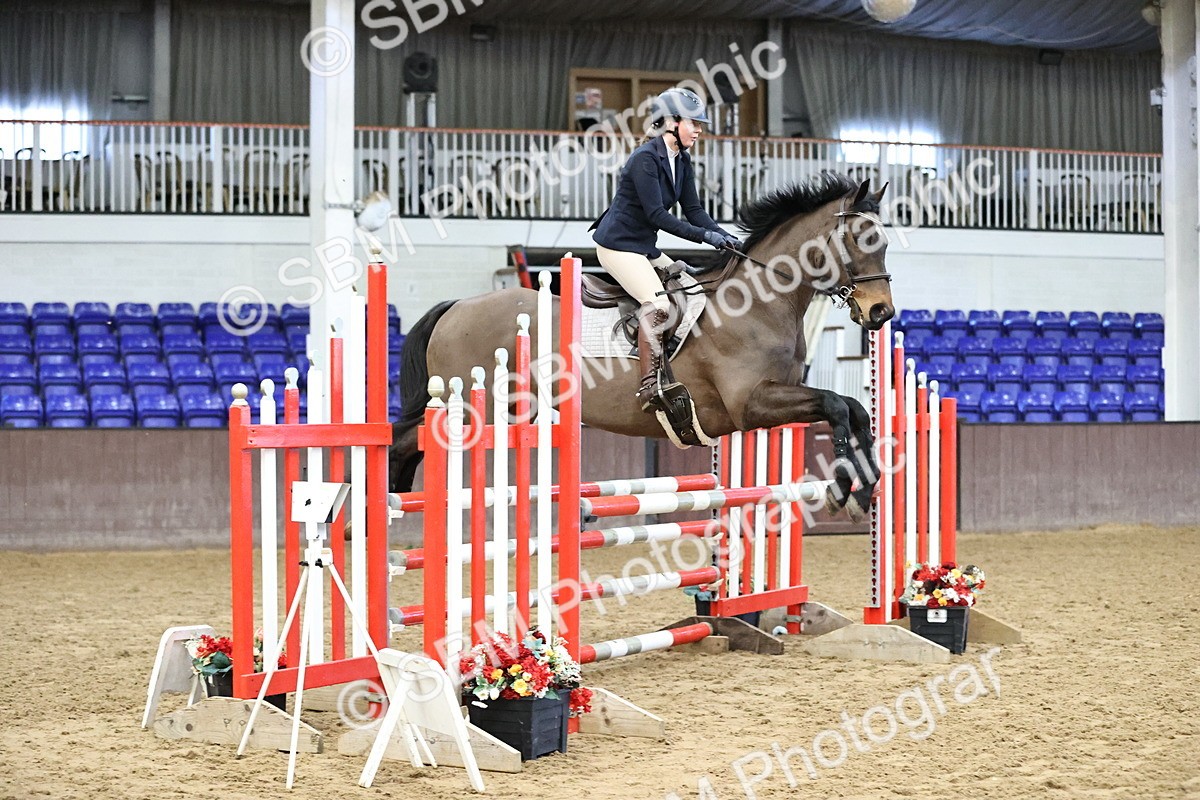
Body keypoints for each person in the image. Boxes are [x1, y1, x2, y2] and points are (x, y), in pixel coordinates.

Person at [590, 87, 743, 411]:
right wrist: (705, 238)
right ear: (672, 122)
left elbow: (694, 210)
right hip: (619, 247)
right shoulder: (644, 159)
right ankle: (648, 386)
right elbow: (657, 215)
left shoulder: (681, 160)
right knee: (657, 304)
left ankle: (671, 354)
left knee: (692, 289)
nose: (700, 130)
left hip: (644, 246)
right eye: (694, 123)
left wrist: (723, 236)